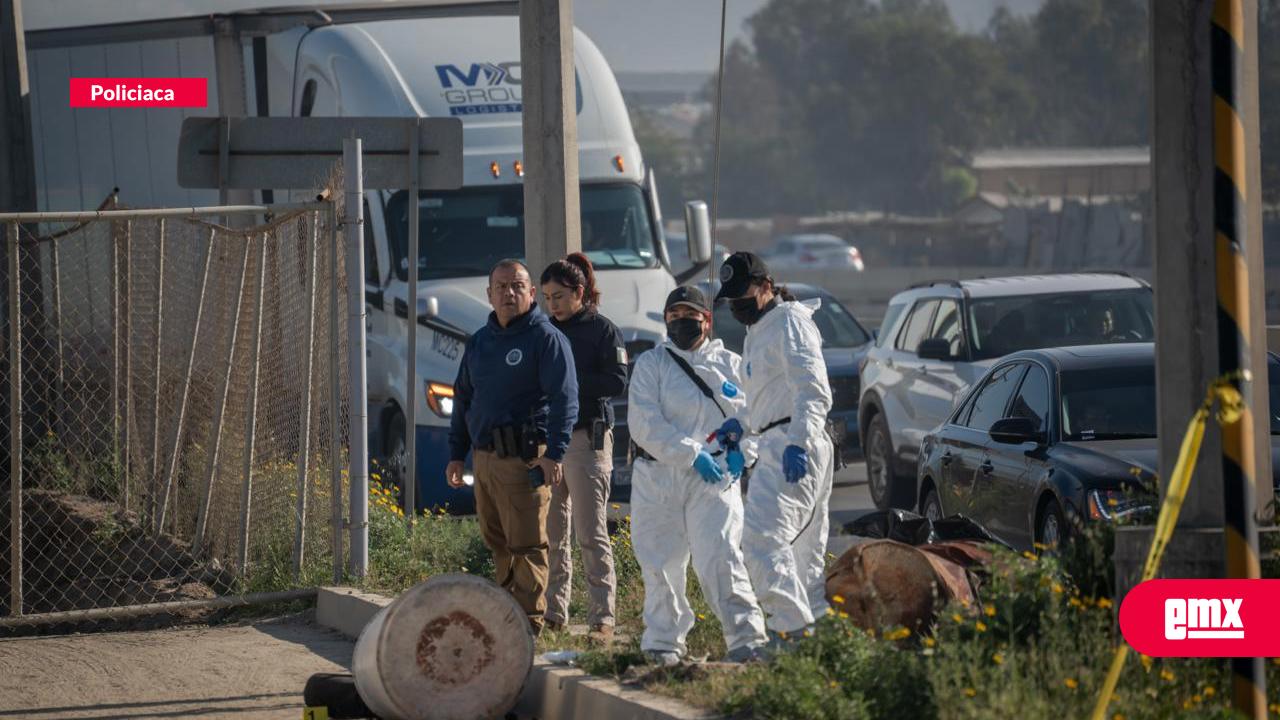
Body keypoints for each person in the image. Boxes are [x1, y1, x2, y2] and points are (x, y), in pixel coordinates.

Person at [627, 285, 768, 666]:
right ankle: (663, 642)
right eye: (673, 316)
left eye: (689, 315)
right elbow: (644, 423)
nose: (680, 322)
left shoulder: (732, 365)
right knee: (660, 563)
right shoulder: (652, 364)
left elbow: (754, 417)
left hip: (714, 478)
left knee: (721, 558)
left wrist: (743, 454)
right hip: (658, 477)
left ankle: (747, 640)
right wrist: (691, 454)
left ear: (706, 320)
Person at [446, 259, 578, 634]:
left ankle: (529, 624)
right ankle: (506, 615)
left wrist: (555, 454)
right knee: (498, 541)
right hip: (485, 459)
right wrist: (456, 454)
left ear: (531, 293)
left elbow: (565, 400)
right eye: (501, 286)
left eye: (517, 285)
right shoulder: (480, 342)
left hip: (525, 459)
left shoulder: (546, 338)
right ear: (489, 295)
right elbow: (463, 398)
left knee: (527, 543)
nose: (509, 293)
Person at [714, 251, 834, 643]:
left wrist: (799, 442)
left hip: (793, 444)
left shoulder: (789, 322)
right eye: (731, 298)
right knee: (801, 554)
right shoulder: (760, 330)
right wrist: (742, 423)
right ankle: (817, 642)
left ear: (766, 286)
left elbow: (812, 390)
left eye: (742, 294)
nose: (737, 304)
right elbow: (768, 398)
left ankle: (791, 630)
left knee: (760, 541)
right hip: (779, 441)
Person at [539, 253, 626, 645]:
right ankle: (553, 613)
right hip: (549, 439)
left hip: (586, 437)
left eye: (558, 296)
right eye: (546, 298)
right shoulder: (544, 331)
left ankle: (602, 619)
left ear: (578, 292)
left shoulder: (601, 330)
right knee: (552, 531)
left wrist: (568, 382)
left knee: (590, 532)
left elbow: (616, 380)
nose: (552, 305)